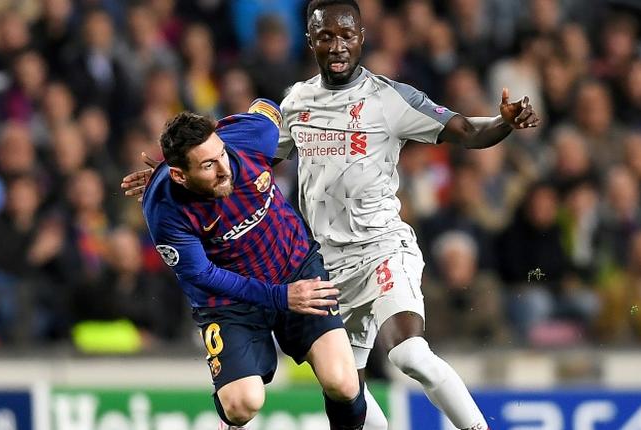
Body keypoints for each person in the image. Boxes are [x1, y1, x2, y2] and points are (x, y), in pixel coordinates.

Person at [124, 1, 539, 428]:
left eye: (346, 35)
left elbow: (467, 131)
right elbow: (237, 155)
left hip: (380, 247)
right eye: (326, 36)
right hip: (325, 262)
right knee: (345, 387)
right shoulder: (297, 102)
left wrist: (502, 123)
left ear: (362, 38)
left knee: (409, 353)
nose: (337, 46)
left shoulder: (390, 99)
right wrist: (166, 176)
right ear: (311, 42)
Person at [131, 99, 366, 430]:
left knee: (342, 382)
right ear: (180, 176)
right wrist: (280, 298)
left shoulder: (253, 136)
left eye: (222, 153)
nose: (225, 168)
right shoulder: (164, 209)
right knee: (244, 403)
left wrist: (238, 136)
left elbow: (267, 107)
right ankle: (227, 418)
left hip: (293, 267)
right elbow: (202, 274)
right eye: (208, 165)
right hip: (230, 302)